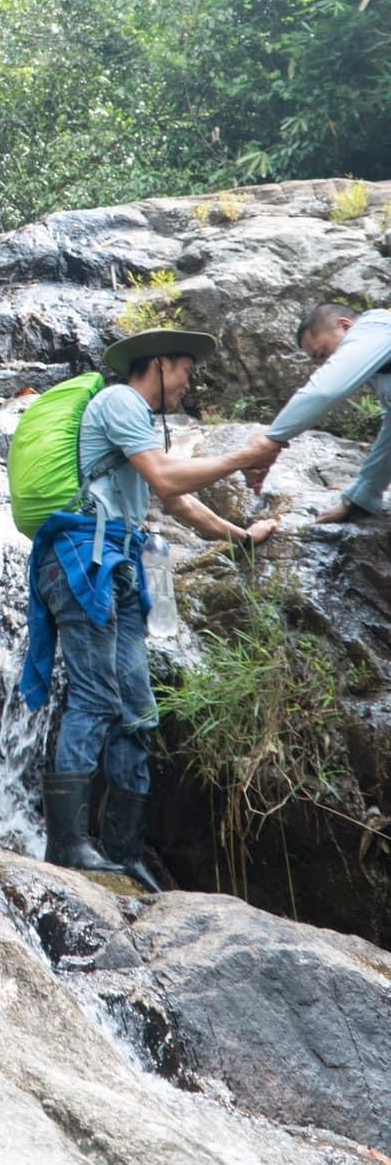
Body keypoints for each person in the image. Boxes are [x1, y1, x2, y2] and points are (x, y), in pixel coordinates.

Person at [20, 327, 279, 888]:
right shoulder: (120, 401)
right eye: (185, 370)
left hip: (118, 566)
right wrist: (243, 456)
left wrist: (238, 537)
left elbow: (176, 500)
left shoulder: (137, 424)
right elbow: (165, 477)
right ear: (158, 364)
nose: (189, 383)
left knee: (137, 707)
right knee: (94, 696)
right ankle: (67, 845)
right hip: (82, 561)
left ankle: (125, 848)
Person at [243, 303, 391, 522]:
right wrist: (362, 496)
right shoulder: (380, 370)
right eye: (318, 361)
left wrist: (270, 440)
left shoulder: (375, 328)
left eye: (322, 353)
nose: (325, 364)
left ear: (345, 326)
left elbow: (324, 391)